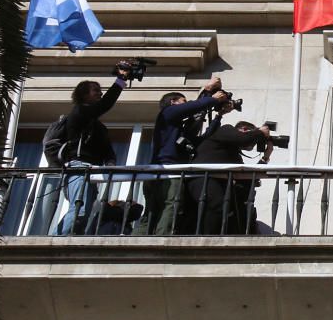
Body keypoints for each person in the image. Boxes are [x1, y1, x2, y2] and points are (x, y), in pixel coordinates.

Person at [133, 77, 229, 236]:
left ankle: (138, 241)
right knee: (171, 206)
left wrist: (218, 116)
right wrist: (209, 94)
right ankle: (160, 241)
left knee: (153, 211)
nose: (187, 104)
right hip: (167, 171)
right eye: (183, 101)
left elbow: (201, 139)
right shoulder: (167, 113)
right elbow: (193, 108)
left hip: (158, 172)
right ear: (173, 102)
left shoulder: (177, 130)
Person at [55, 63, 130, 235]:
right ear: (83, 95)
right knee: (79, 210)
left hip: (92, 170)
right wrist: (120, 80)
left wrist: (110, 162)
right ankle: (52, 243)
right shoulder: (79, 112)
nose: (100, 93)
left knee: (85, 213)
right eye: (95, 90)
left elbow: (107, 150)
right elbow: (104, 105)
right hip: (78, 167)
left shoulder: (99, 127)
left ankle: (66, 241)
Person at [185, 120, 272, 235]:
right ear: (244, 130)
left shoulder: (234, 155)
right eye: (253, 138)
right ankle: (206, 239)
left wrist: (265, 158)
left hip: (211, 181)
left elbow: (247, 177)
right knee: (217, 205)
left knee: (222, 208)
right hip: (201, 178)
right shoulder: (226, 129)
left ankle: (212, 237)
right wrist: (260, 132)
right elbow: (244, 139)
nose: (253, 143)